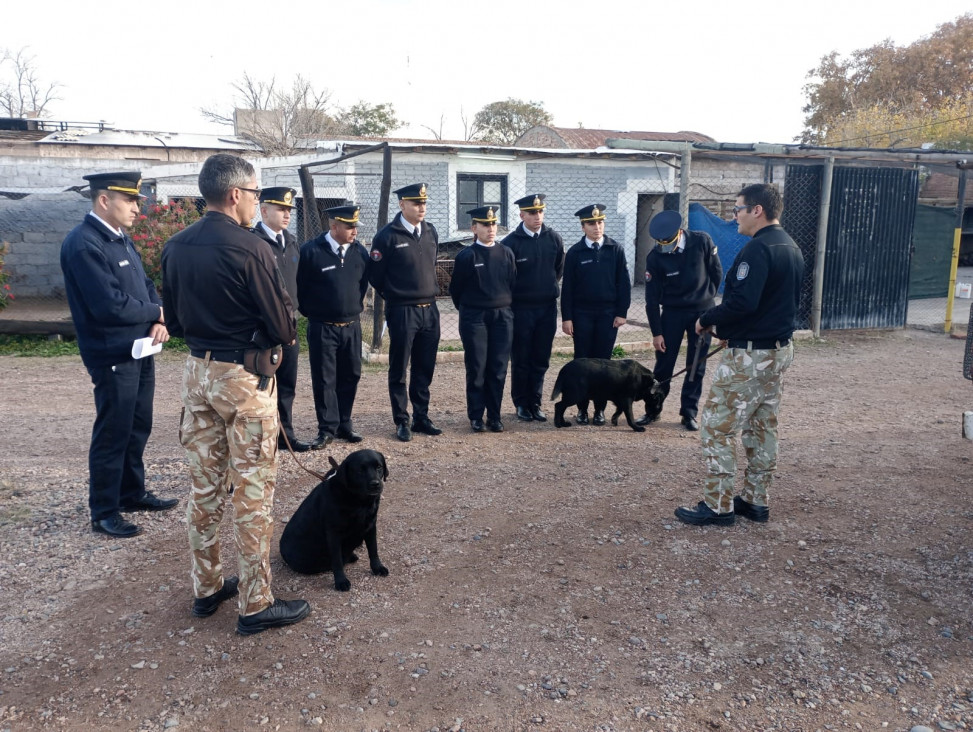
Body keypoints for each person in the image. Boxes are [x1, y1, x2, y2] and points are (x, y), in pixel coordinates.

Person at [162, 153, 310, 634]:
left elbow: (177, 321)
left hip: (197, 373)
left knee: (204, 488)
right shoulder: (251, 250)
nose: (255, 202)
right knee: (252, 491)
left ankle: (206, 590)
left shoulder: (176, 245)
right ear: (235, 194)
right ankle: (255, 602)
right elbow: (285, 326)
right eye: (253, 193)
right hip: (243, 381)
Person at [674, 183, 804, 526]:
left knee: (716, 428)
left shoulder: (758, 250)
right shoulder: (790, 246)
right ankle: (755, 500)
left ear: (756, 210)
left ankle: (718, 506)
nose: (735, 218)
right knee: (762, 427)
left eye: (738, 210)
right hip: (777, 350)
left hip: (751, 356)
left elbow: (742, 303)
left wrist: (707, 319)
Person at [60, 171, 178, 539]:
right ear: (103, 200)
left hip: (140, 347)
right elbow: (108, 305)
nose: (136, 208)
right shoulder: (84, 244)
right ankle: (105, 510)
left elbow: (144, 287)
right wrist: (155, 314)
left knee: (138, 424)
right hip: (112, 353)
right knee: (114, 430)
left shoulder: (119, 238)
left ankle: (131, 492)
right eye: (129, 200)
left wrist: (156, 319)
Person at [367, 183, 442, 442]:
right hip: (403, 310)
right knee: (399, 367)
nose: (421, 208)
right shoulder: (387, 236)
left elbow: (431, 264)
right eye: (415, 203)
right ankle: (402, 419)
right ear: (402, 205)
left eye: (423, 203)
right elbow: (376, 276)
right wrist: (397, 296)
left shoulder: (430, 231)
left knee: (425, 366)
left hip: (430, 309)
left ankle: (421, 416)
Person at [638, 210, 723, 431]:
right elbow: (651, 299)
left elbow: (716, 273)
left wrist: (705, 298)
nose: (667, 249)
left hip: (701, 312)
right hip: (672, 314)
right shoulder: (655, 257)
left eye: (670, 243)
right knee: (664, 364)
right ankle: (653, 411)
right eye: (662, 244)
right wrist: (657, 333)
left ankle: (689, 413)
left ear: (680, 233)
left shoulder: (702, 241)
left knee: (696, 364)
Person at [297, 204, 370, 446]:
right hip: (323, 326)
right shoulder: (310, 251)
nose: (354, 231)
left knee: (351, 375)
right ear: (334, 226)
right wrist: (316, 313)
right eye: (349, 226)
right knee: (325, 378)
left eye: (355, 227)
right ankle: (327, 428)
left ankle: (344, 424)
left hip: (351, 325)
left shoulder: (360, 252)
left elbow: (361, 286)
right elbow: (301, 288)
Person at [251, 186, 312, 452]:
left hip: (289, 323)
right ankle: (259, 437)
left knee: (287, 383)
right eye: (281, 209)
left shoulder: (291, 241)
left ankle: (285, 434)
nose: (287, 214)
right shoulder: (253, 242)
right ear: (264, 210)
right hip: (262, 325)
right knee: (260, 383)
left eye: (289, 210)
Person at [560, 204, 631, 425]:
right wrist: (567, 317)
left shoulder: (615, 249)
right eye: (591, 223)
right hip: (582, 315)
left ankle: (599, 410)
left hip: (607, 315)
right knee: (582, 363)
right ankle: (581, 409)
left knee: (603, 365)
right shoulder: (574, 252)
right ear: (583, 227)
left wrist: (621, 312)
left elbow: (624, 284)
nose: (597, 227)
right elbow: (568, 288)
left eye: (600, 222)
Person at [450, 205, 517, 432]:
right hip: (475, 317)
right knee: (477, 366)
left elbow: (512, 282)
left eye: (493, 224)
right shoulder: (466, 256)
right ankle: (476, 416)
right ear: (474, 228)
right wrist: (471, 310)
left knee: (498, 367)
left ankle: (495, 416)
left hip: (502, 316)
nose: (490, 229)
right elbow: (456, 290)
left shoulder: (506, 252)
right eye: (485, 225)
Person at [501, 193, 565, 422]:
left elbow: (558, 269)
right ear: (522, 215)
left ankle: (535, 402)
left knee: (540, 358)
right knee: (521, 358)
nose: (537, 216)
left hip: (546, 309)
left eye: (540, 211)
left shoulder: (553, 238)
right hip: (521, 309)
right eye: (532, 213)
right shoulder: (510, 243)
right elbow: (506, 278)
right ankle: (521, 403)